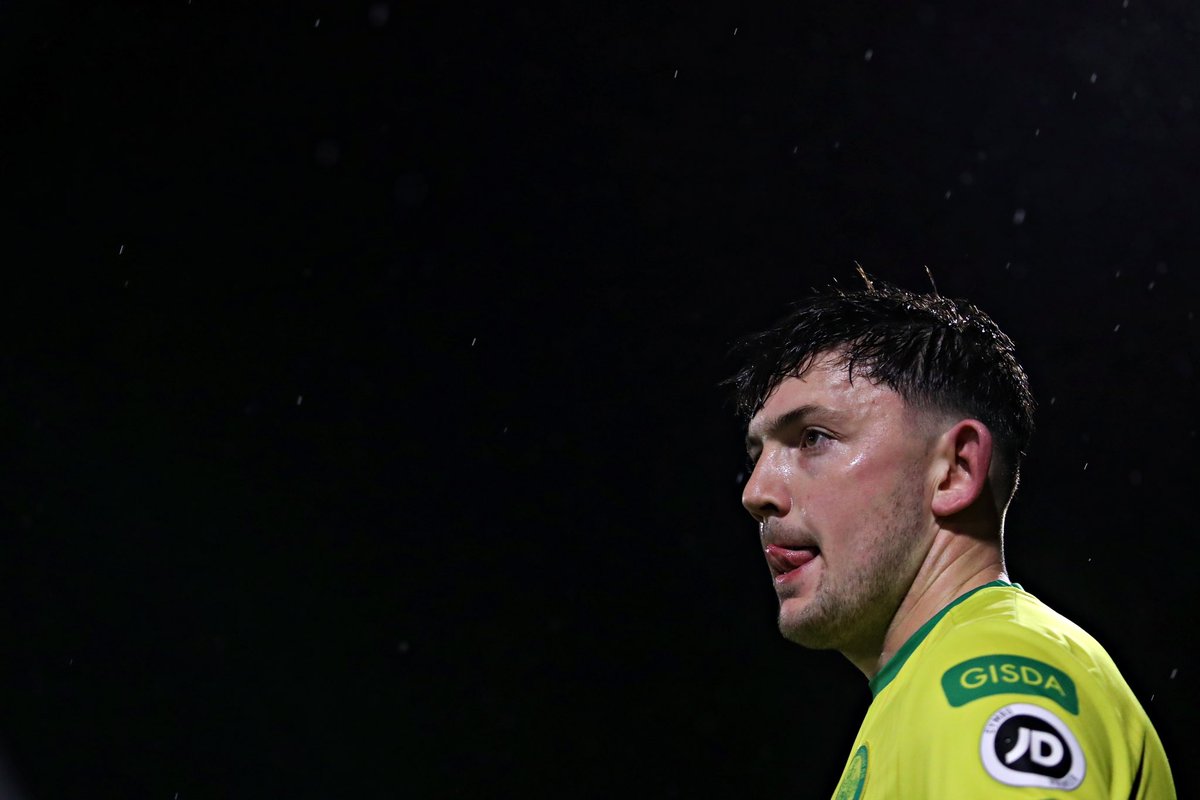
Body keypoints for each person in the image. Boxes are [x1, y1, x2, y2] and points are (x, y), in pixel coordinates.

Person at [726, 273, 1175, 798]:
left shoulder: (988, 678)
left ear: (956, 470)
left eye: (813, 438)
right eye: (758, 457)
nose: (755, 492)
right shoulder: (923, 685)